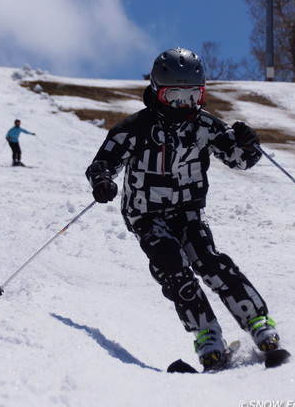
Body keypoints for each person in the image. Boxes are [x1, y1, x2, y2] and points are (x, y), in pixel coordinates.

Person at [85, 48, 282, 371]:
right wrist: (103, 180)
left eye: (192, 96)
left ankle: (259, 322)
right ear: (157, 91)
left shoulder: (205, 126)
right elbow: (103, 162)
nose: (183, 106)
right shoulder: (134, 128)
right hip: (146, 215)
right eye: (175, 96)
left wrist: (249, 144)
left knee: (211, 262)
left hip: (188, 211)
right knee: (173, 270)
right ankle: (208, 337)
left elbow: (239, 159)